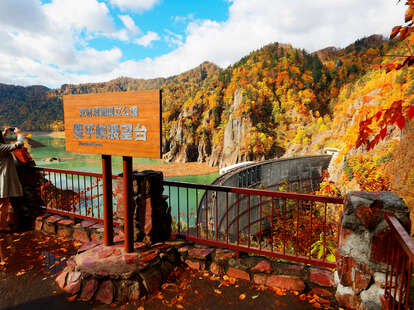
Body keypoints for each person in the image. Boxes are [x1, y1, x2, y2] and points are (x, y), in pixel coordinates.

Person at [0, 127, 24, 231]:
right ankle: (2, 225)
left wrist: (4, 134)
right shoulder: (1, 147)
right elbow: (18, 145)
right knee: (3, 203)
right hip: (2, 177)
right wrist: (19, 134)